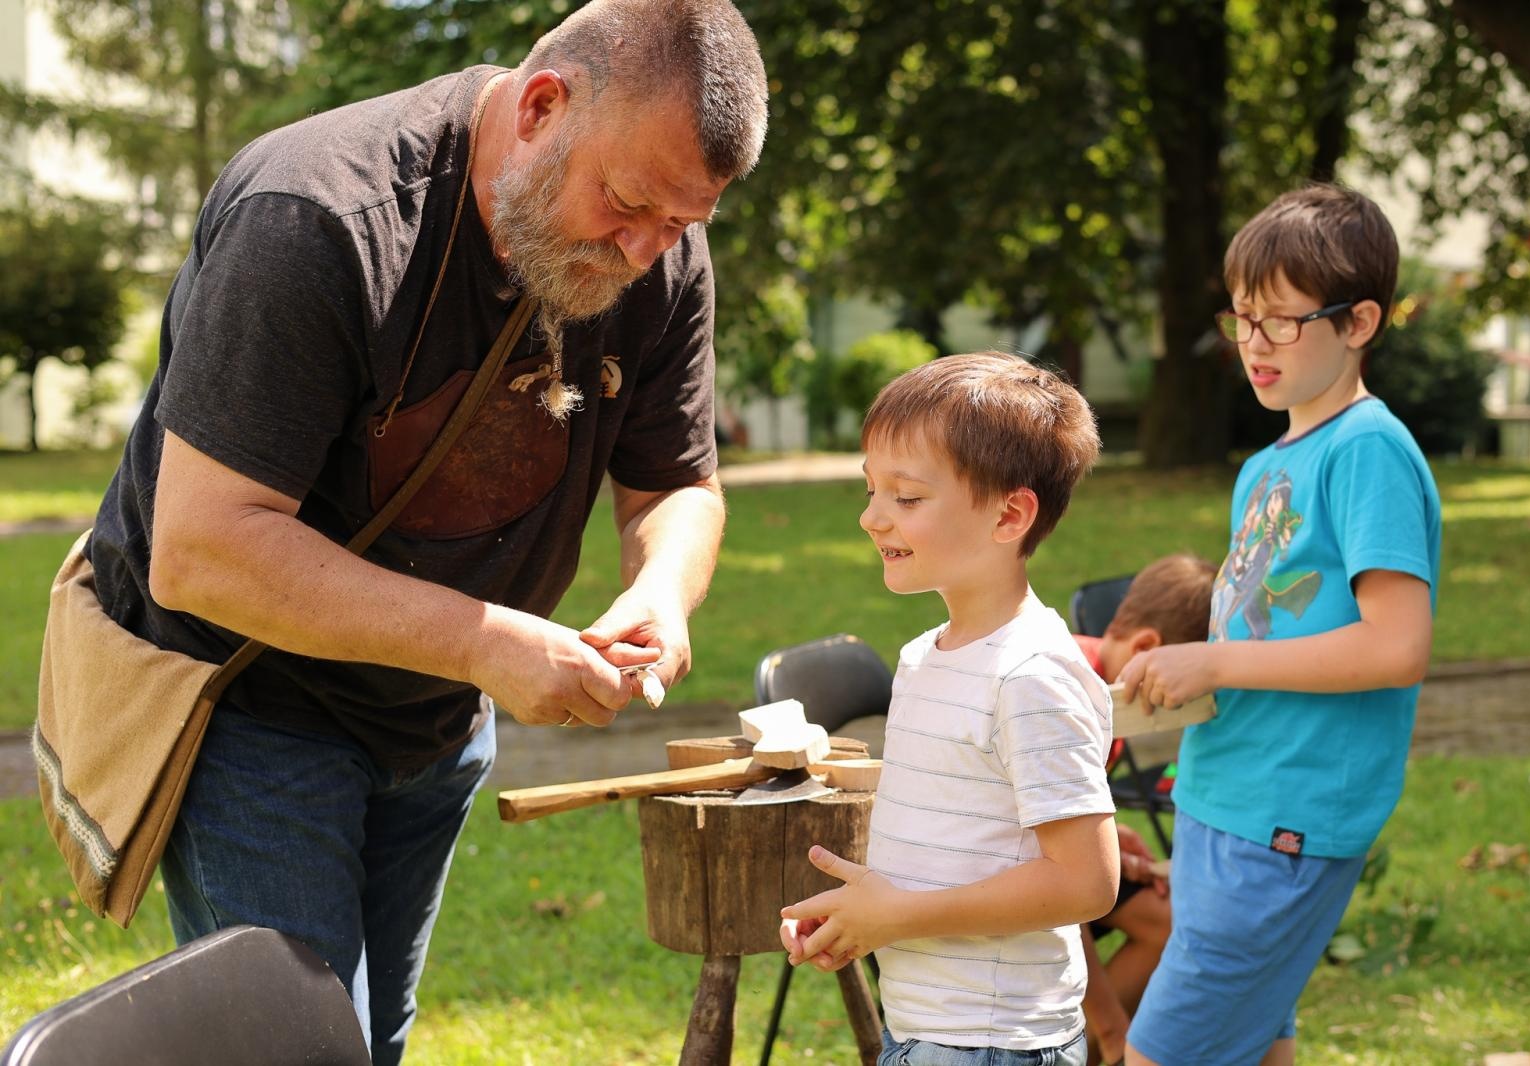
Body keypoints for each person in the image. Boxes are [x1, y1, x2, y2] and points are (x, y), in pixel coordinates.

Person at [77, 2, 768, 1062]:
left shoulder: (661, 245)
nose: (644, 252)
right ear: (542, 106)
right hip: (253, 705)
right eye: (627, 205)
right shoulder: (317, 215)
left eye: (682, 223)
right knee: (305, 1052)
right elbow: (203, 546)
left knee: (372, 1041)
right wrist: (484, 641)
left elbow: (677, 484)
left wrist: (661, 591)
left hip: (435, 720)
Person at [1119, 183, 1442, 1066]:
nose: (1253, 345)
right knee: (1262, 1048)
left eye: (1282, 322)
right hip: (1225, 800)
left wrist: (1215, 666)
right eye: (1242, 319)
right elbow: (1262, 623)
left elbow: (1395, 645)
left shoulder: (1366, 450)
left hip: (1286, 819)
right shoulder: (1266, 465)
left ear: (1360, 321)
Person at [778, 352, 1120, 1066]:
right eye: (872, 490)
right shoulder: (923, 658)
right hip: (927, 1027)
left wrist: (900, 915)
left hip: (991, 1045)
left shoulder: (1030, 677)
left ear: (1009, 515)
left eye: (906, 498)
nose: (873, 518)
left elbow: (1086, 881)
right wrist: (859, 917)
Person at [1071, 552, 1217, 1066]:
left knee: (1170, 921)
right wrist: (1114, 1030)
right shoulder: (1070, 699)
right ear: (1149, 650)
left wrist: (1111, 835)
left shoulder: (1106, 688)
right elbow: (1059, 880)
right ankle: (1105, 1044)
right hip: (1012, 873)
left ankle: (1085, 1053)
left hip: (1058, 858)